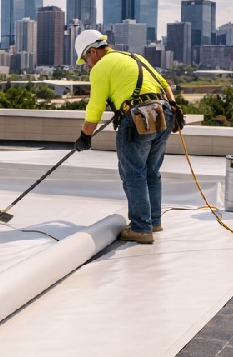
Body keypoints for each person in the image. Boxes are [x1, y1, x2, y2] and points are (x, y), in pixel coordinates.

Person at [73, 29, 175, 244]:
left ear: (93, 50)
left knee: (133, 173)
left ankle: (140, 228)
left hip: (137, 118)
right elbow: (165, 85)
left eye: (86, 59)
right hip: (164, 113)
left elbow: (95, 107)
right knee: (151, 171)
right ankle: (153, 221)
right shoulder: (135, 57)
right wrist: (174, 107)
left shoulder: (101, 67)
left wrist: (85, 135)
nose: (87, 64)